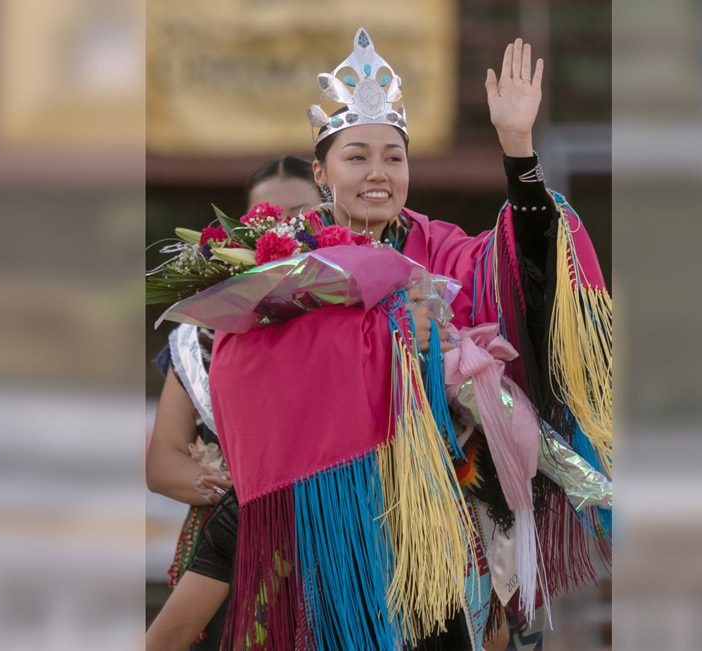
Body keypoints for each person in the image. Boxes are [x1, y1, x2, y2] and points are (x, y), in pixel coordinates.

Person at [211, 29, 611, 651]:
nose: (378, 173)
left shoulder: (440, 249)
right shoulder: (287, 261)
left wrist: (518, 152)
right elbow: (244, 369)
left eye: (393, 158)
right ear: (320, 172)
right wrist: (387, 334)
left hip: (437, 523)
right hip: (332, 522)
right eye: (356, 157)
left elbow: (524, 277)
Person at [146, 155, 322, 651]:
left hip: (325, 539)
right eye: (268, 218)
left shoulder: (349, 318)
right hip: (231, 548)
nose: (284, 229)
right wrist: (222, 487)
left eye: (301, 216)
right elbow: (162, 462)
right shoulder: (203, 333)